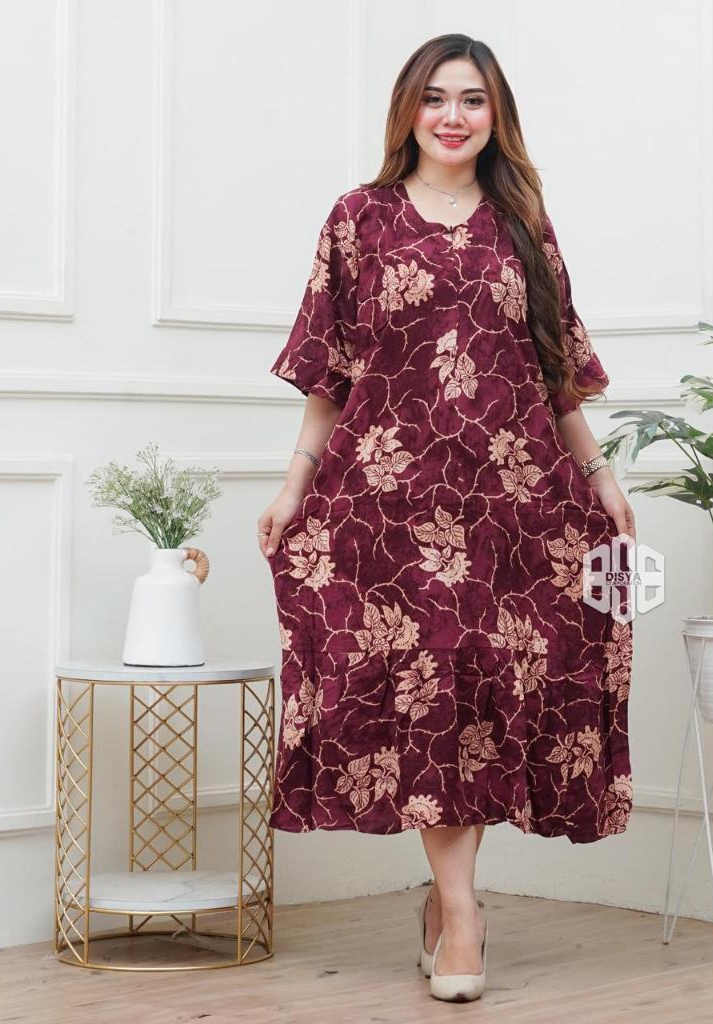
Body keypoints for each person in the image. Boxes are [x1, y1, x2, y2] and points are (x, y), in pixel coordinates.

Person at [257, 32, 636, 1003]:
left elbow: (555, 373)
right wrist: (295, 485)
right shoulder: (358, 218)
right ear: (408, 110)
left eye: (472, 99)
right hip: (388, 506)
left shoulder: (524, 225)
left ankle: (447, 902)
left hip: (510, 504)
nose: (453, 116)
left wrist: (599, 476)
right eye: (435, 97)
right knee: (423, 688)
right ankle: (462, 910)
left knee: (478, 698)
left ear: (496, 116)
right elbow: (331, 375)